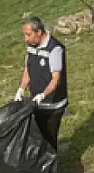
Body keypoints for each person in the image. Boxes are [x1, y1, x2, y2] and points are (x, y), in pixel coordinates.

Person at [14, 16, 68, 150]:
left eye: (28, 35)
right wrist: (21, 89)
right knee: (38, 139)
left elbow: (56, 79)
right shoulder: (31, 46)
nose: (25, 39)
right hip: (37, 103)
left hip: (53, 104)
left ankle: (51, 167)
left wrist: (43, 95)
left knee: (49, 140)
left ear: (39, 32)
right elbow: (28, 69)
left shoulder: (55, 49)